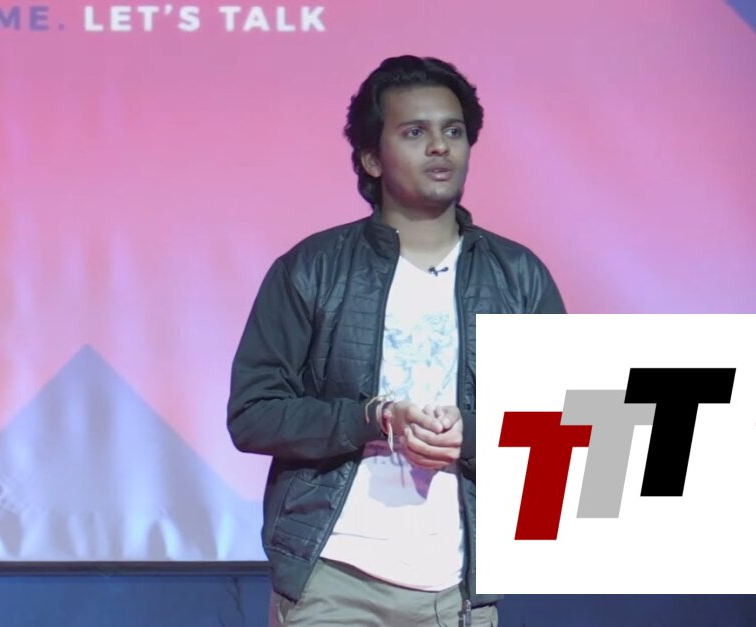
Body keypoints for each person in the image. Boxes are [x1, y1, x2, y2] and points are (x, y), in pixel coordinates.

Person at [227, 55, 566, 626]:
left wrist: (471, 434)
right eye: (414, 133)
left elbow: (564, 428)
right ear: (371, 158)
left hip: (460, 588)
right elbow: (253, 414)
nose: (439, 147)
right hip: (334, 578)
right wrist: (374, 417)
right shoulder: (313, 269)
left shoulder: (518, 276)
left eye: (453, 131)